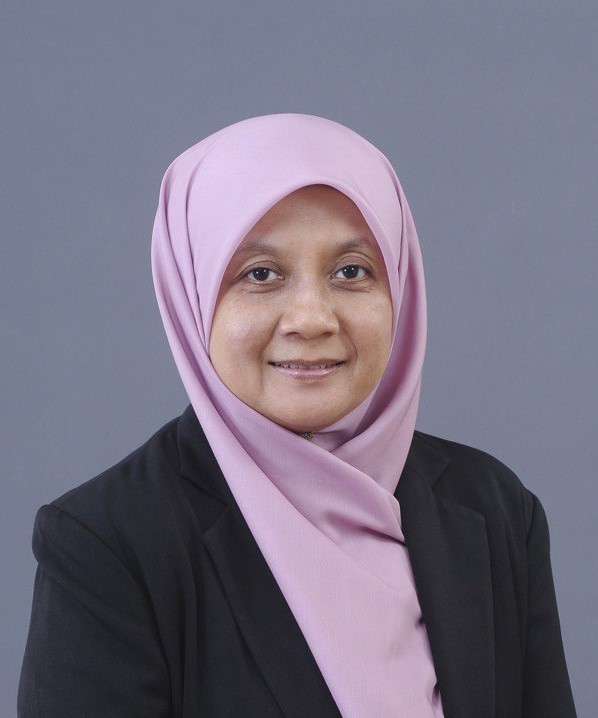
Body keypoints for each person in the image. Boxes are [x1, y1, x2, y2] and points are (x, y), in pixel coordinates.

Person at [18, 114, 576, 718]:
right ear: (192, 294)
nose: (311, 318)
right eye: (260, 274)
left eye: (351, 271)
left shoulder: (494, 508)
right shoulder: (108, 544)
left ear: (400, 288)